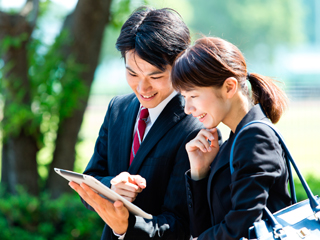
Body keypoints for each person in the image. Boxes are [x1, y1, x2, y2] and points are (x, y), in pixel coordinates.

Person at [69, 7, 217, 240]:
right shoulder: (117, 109)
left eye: (155, 76)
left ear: (180, 62)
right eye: (132, 74)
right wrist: (111, 188)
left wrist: (126, 226)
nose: (142, 88)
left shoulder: (196, 127)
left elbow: (183, 224)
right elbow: (91, 179)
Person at [170, 37, 292, 240]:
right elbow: (207, 227)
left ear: (229, 87)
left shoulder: (255, 137)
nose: (187, 108)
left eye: (193, 96)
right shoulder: (234, 140)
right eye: (184, 97)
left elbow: (244, 228)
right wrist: (199, 172)